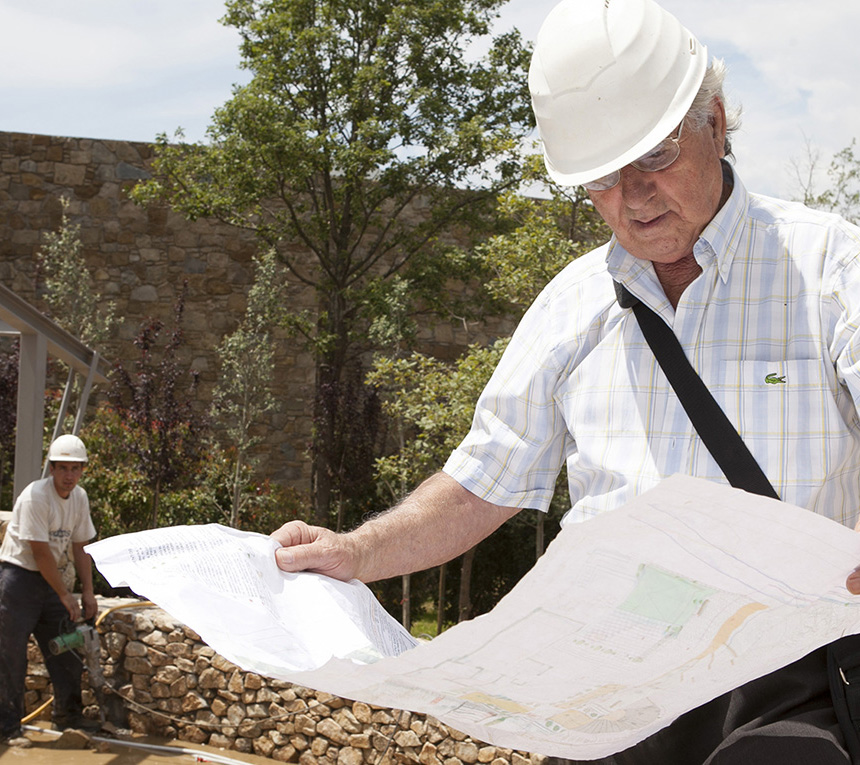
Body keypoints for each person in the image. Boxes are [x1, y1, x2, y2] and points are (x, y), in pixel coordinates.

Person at [270, 0, 860, 762]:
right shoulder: (572, 306)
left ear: (715, 121)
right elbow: (484, 480)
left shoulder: (829, 269)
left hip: (786, 679)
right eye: (602, 178)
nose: (634, 194)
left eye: (653, 156)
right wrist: (356, 551)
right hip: (611, 694)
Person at [0, 434, 98, 745]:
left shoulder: (79, 498)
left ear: (82, 470)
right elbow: (40, 552)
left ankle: (68, 717)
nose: (69, 475)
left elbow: (81, 546)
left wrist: (87, 592)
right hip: (18, 579)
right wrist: (65, 594)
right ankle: (7, 728)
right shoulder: (35, 497)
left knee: (66, 646)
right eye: (63, 468)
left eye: (75, 469)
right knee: (10, 654)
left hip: (51, 581)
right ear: (52, 469)